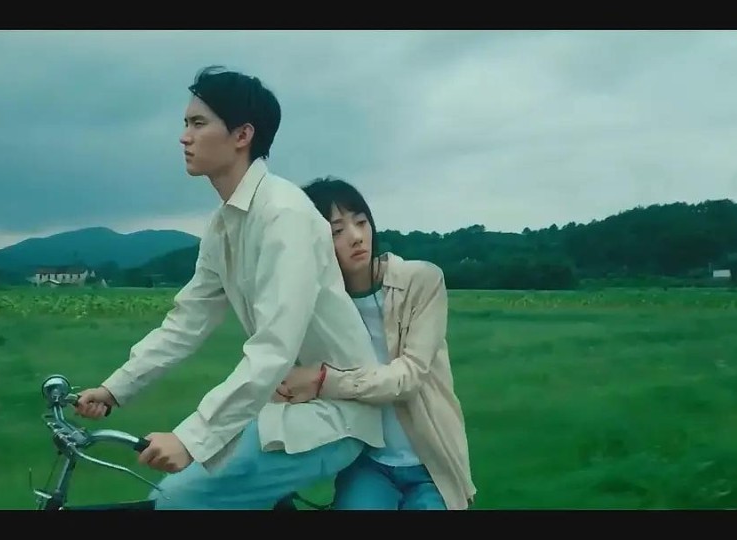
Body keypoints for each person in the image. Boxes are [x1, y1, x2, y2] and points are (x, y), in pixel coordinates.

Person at [73, 66, 384, 510]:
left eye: (198, 123)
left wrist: (191, 438)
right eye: (186, 123)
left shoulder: (285, 216)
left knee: (175, 499)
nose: (184, 137)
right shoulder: (223, 227)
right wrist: (115, 388)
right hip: (284, 406)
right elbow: (186, 322)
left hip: (336, 417)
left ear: (242, 135)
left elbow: (274, 346)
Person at [274, 176, 476, 510]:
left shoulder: (421, 281)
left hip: (431, 463)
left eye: (361, 222)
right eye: (336, 231)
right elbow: (285, 381)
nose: (356, 236)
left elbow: (408, 377)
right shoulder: (314, 308)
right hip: (366, 463)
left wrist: (323, 381)